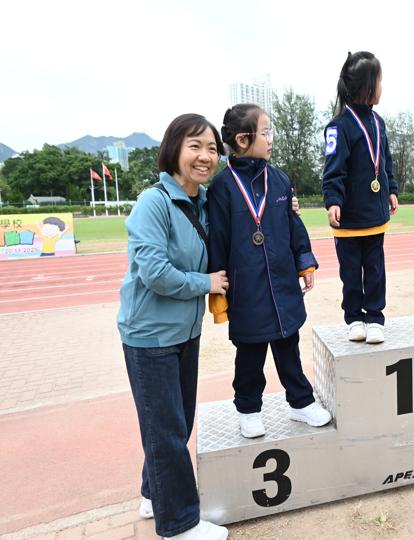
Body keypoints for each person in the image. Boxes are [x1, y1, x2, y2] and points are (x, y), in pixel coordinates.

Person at [117, 114, 229, 539]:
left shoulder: (204, 201)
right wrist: (207, 283)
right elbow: (154, 273)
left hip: (186, 332)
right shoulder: (154, 202)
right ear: (174, 150)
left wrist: (285, 205)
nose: (205, 156)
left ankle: (154, 494)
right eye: (194, 146)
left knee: (174, 422)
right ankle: (179, 524)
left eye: (212, 148)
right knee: (166, 429)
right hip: (150, 336)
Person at [207, 104, 331, 439]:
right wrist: (218, 293)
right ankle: (248, 409)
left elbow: (294, 227)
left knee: (289, 348)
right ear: (243, 139)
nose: (271, 138)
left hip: (282, 285)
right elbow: (217, 241)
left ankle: (301, 402)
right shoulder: (222, 187)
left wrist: (304, 262)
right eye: (265, 132)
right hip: (246, 290)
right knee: (250, 355)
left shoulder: (279, 180)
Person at [322, 51, 399, 344]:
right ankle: (354, 318)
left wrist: (391, 189)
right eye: (379, 81)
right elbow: (333, 168)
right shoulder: (339, 127)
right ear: (367, 86)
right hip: (349, 218)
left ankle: (375, 318)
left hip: (375, 215)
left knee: (376, 270)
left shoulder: (379, 123)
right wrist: (333, 200)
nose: (382, 86)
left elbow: (386, 161)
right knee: (351, 272)